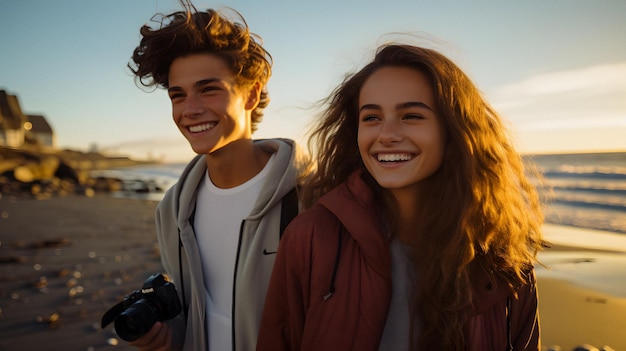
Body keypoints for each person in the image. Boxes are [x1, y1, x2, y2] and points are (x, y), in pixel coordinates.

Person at [257, 44, 544, 350]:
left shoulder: (503, 264)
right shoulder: (311, 237)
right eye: (371, 118)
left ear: (454, 130)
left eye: (411, 116)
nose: (387, 134)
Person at [126, 2, 310, 350]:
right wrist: (169, 338)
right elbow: (201, 314)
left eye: (208, 89)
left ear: (252, 94)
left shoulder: (311, 198)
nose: (190, 110)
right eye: (177, 96)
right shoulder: (172, 209)